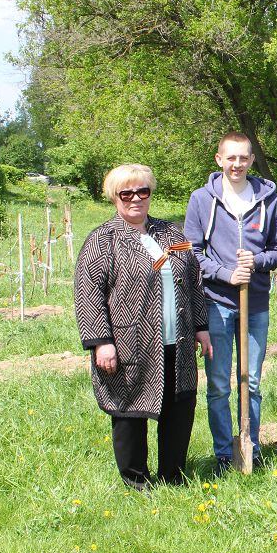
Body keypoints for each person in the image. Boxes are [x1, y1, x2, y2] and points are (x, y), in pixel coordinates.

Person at [74, 164, 211, 489]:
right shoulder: (103, 240)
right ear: (114, 197)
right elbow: (88, 292)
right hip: (129, 343)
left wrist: (201, 326)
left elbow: (193, 278)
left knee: (179, 408)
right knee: (129, 410)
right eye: (127, 193)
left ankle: (173, 476)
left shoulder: (172, 234)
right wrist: (101, 341)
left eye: (142, 191)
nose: (135, 198)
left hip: (177, 339)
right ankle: (136, 481)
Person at [185, 132, 277, 476]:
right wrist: (227, 274)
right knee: (218, 384)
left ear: (252, 160)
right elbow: (193, 253)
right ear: (219, 160)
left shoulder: (269, 199)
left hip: (254, 304)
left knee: (251, 382)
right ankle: (224, 455)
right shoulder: (202, 199)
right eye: (231, 158)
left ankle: (250, 448)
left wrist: (255, 262)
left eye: (244, 158)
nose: (237, 164)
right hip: (217, 303)